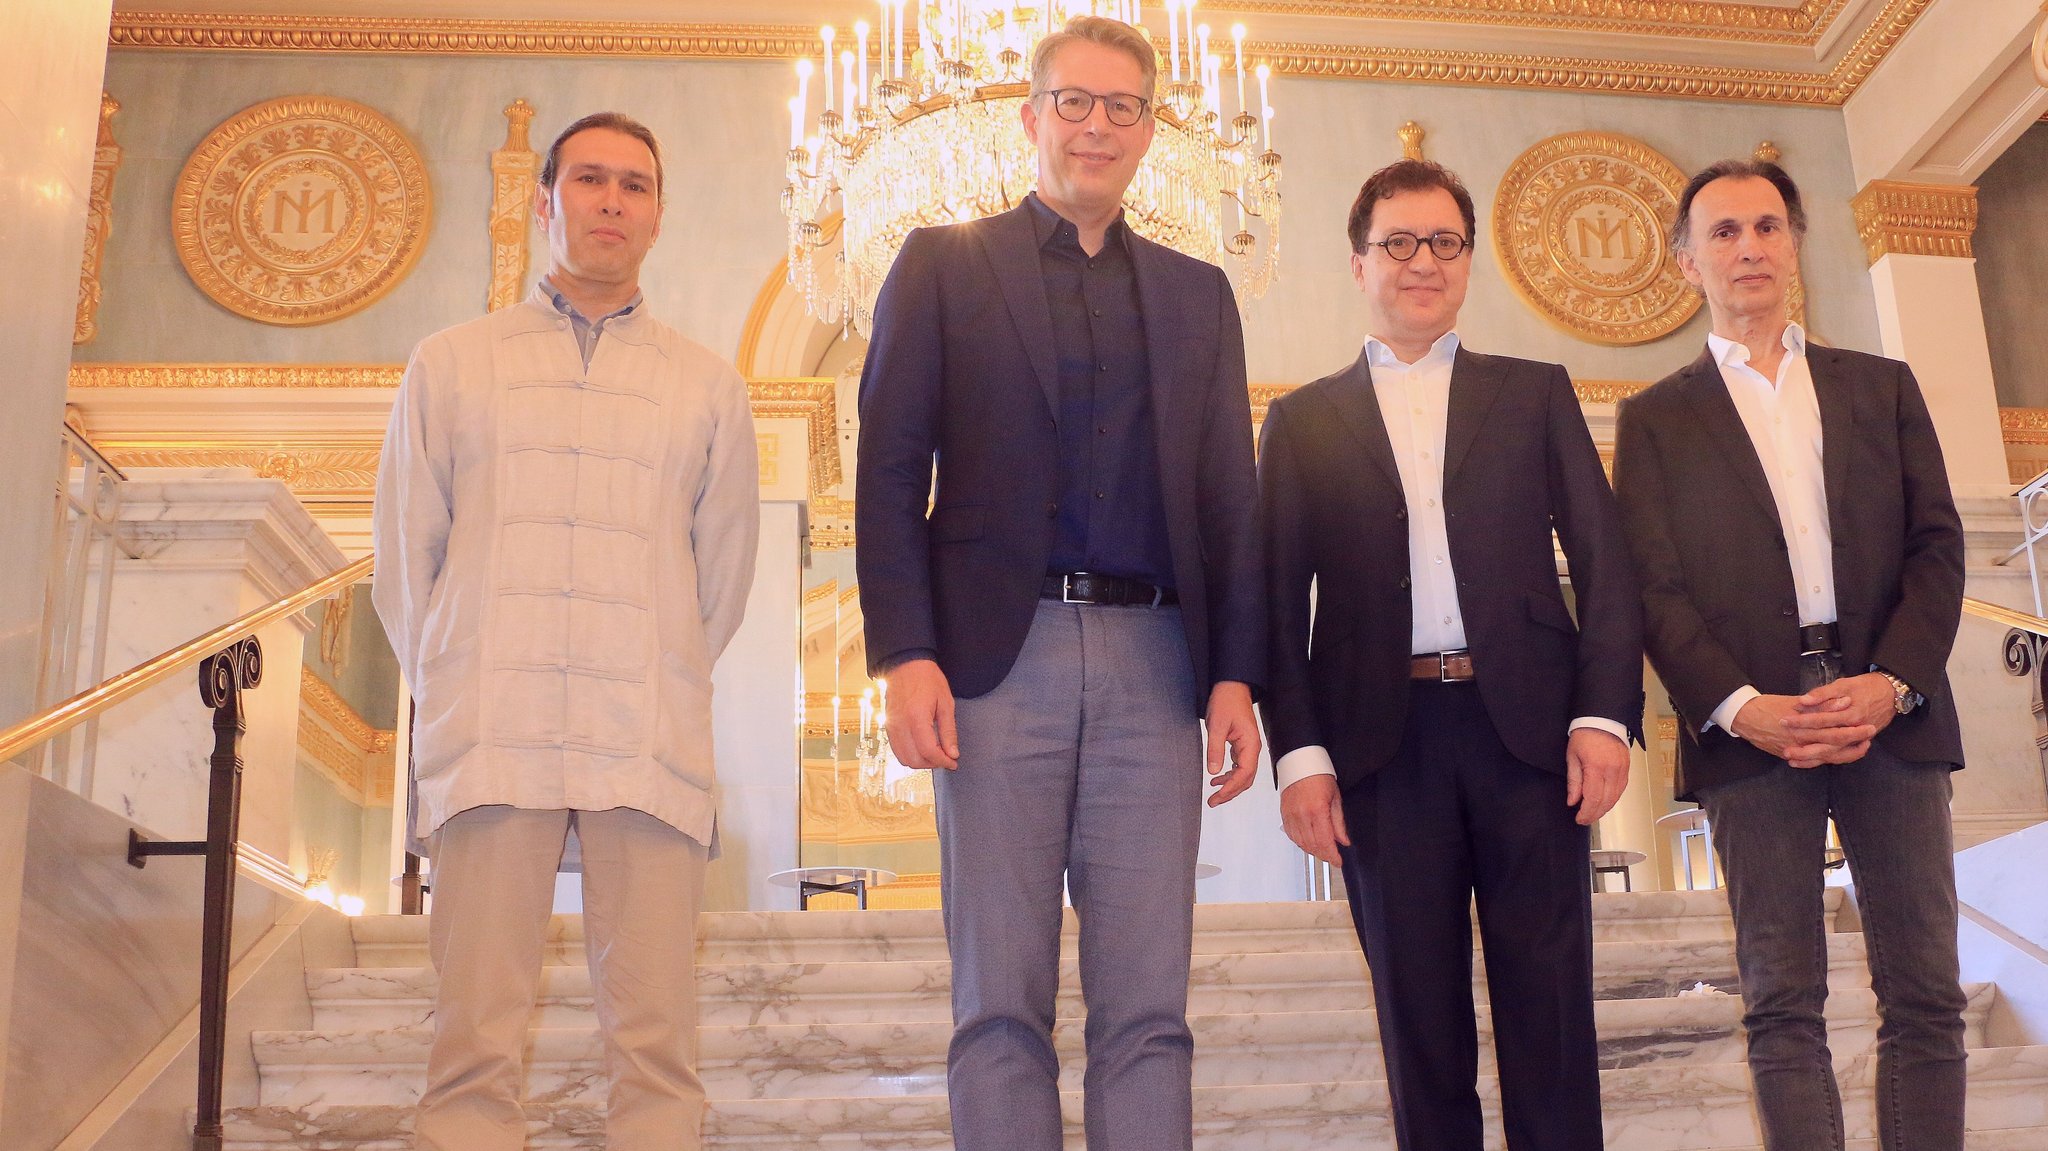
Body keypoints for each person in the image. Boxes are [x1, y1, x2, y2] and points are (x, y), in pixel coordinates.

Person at [853, 15, 1265, 1151]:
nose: (1095, 125)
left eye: (1120, 106)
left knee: (1148, 1009)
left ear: (1148, 131)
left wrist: (1236, 675)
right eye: (1073, 103)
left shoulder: (1198, 296)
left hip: (1156, 660)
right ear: (1030, 118)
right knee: (998, 1003)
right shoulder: (942, 265)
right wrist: (904, 651)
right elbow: (888, 472)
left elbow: (1230, 500)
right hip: (997, 659)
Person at [371, 111, 760, 1151]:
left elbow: (718, 578)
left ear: (657, 215)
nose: (610, 201)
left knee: (655, 1044)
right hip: (493, 722)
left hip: (645, 727)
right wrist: (462, 668)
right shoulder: (451, 363)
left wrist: (658, 660)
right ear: (545, 201)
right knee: (472, 1043)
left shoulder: (706, 384)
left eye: (634, 185)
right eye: (588, 179)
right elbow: (406, 562)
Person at [1260, 158, 1643, 1151]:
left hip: (1526, 740)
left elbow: (1605, 562)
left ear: (1466, 260)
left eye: (1442, 242)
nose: (1420, 261)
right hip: (1380, 753)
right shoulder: (1300, 420)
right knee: (1416, 1021)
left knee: (1549, 1013)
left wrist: (1602, 715)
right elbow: (1272, 602)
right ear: (1357, 262)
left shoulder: (1533, 393)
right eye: (1397, 242)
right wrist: (1298, 756)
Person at [1612, 158, 1968, 1151]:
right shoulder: (1652, 419)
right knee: (1778, 999)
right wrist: (1734, 703)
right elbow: (1649, 585)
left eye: (1765, 226)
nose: (1747, 247)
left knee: (1926, 992)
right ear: (1686, 263)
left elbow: (1937, 544)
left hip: (1887, 718)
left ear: (1794, 245)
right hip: (1748, 732)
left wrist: (1893, 680)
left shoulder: (1881, 386)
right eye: (1721, 232)